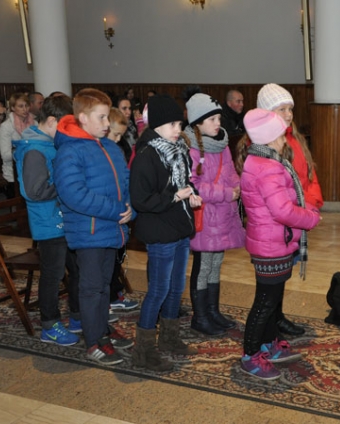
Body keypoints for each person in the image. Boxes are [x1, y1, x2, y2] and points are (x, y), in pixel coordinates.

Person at [238, 108, 321, 381]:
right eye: (282, 136)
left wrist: (305, 208)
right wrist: (310, 218)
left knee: (271, 301)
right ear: (271, 138)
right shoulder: (267, 167)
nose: (286, 140)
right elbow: (282, 210)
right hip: (271, 244)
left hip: (273, 240)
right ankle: (251, 355)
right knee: (264, 303)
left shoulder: (263, 160)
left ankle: (268, 345)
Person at [53, 88, 134, 366]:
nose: (107, 123)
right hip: (88, 232)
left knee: (104, 286)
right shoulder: (70, 151)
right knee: (91, 289)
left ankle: (102, 332)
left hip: (110, 229)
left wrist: (130, 208)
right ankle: (93, 341)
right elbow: (73, 194)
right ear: (83, 118)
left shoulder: (110, 147)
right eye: (101, 117)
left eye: (107, 117)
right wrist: (115, 210)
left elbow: (125, 183)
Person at [129, 94, 201, 370]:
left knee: (176, 287)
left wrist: (191, 194)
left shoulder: (179, 150)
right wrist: (175, 197)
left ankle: (169, 338)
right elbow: (141, 199)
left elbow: (185, 182)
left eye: (180, 124)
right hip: (159, 230)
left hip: (179, 227)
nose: (178, 130)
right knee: (158, 289)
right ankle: (144, 351)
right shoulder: (146, 156)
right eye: (173, 124)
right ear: (157, 125)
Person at [255, 83, 324, 336]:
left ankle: (278, 315)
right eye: (281, 109)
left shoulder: (294, 138)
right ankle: (269, 321)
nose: (288, 114)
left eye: (290, 109)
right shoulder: (266, 145)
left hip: (298, 216)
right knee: (272, 280)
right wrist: (299, 209)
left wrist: (311, 204)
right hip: (279, 222)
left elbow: (309, 174)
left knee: (283, 274)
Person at [12, 95, 81, 347]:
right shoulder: (33, 150)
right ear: (52, 121)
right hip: (47, 221)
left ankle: (77, 315)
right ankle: (49, 325)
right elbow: (34, 191)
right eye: (65, 126)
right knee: (53, 275)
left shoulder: (49, 144)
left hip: (62, 218)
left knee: (77, 268)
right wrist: (66, 186)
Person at [184, 93, 245, 336]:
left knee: (216, 263)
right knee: (203, 265)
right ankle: (200, 316)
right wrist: (226, 193)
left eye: (219, 118)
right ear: (197, 122)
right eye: (212, 119)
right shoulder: (191, 148)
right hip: (205, 215)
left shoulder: (222, 144)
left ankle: (213, 311)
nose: (218, 123)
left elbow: (230, 173)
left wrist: (237, 187)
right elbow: (194, 185)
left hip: (223, 215)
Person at [105, 107, 138, 312]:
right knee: (106, 264)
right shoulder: (99, 151)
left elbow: (125, 180)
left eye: (121, 135)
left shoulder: (116, 150)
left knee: (117, 258)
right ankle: (108, 298)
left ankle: (114, 293)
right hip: (107, 215)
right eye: (115, 134)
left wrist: (130, 206)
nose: (118, 139)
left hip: (120, 212)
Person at [0, 92, 36, 196]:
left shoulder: (35, 124)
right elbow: (5, 156)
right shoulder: (6, 127)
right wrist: (25, 150)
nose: (25, 109)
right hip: (13, 173)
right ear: (13, 108)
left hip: (33, 169)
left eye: (26, 105)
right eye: (21, 106)